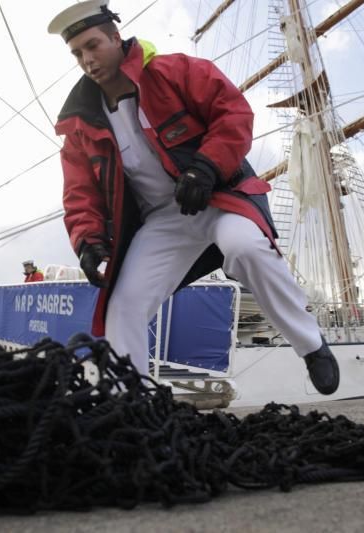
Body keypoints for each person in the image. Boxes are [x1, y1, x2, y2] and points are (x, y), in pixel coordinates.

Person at [47, 0, 339, 394]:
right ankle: (134, 403)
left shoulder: (174, 71)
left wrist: (206, 167)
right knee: (125, 305)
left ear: (116, 38)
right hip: (163, 222)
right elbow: (79, 192)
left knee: (246, 248)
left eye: (93, 45)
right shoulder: (80, 124)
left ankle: (311, 344)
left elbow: (233, 113)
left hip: (219, 199)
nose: (87, 59)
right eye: (78, 53)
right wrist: (87, 241)